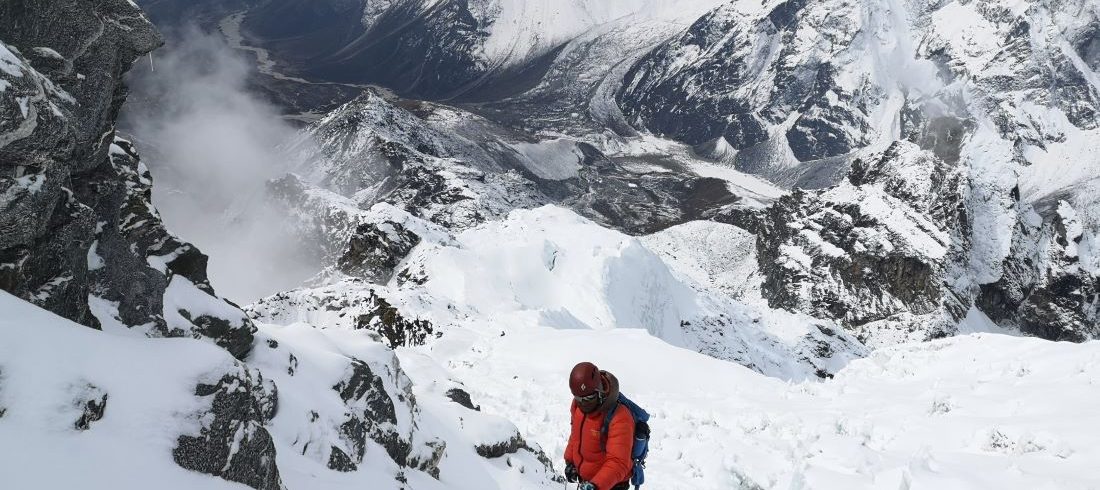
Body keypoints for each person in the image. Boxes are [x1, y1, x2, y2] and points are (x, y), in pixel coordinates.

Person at [563, 361, 635, 490]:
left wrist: (596, 485)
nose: (582, 404)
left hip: (612, 485)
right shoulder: (578, 405)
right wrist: (570, 461)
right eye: (578, 398)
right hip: (588, 483)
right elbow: (576, 435)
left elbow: (619, 462)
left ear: (600, 391)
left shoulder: (620, 416)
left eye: (588, 399)